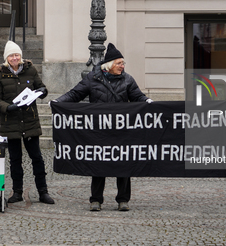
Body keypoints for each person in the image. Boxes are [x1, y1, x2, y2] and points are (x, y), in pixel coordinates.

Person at [54, 43, 152, 212]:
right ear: (110, 65)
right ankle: (96, 199)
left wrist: (147, 102)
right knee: (98, 164)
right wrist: (58, 103)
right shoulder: (93, 79)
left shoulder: (128, 79)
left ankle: (123, 199)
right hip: (99, 131)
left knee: (124, 164)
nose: (122, 66)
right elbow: (75, 94)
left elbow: (138, 97)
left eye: (123, 63)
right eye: (119, 63)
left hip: (122, 131)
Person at [0, 41, 55, 204]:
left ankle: (43, 192)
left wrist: (43, 92)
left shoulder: (30, 70)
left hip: (29, 121)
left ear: (20, 56)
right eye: (11, 55)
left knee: (37, 158)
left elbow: (41, 87)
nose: (15, 58)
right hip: (11, 122)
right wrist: (8, 107)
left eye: (17, 55)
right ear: (6, 58)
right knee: (15, 159)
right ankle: (17, 192)